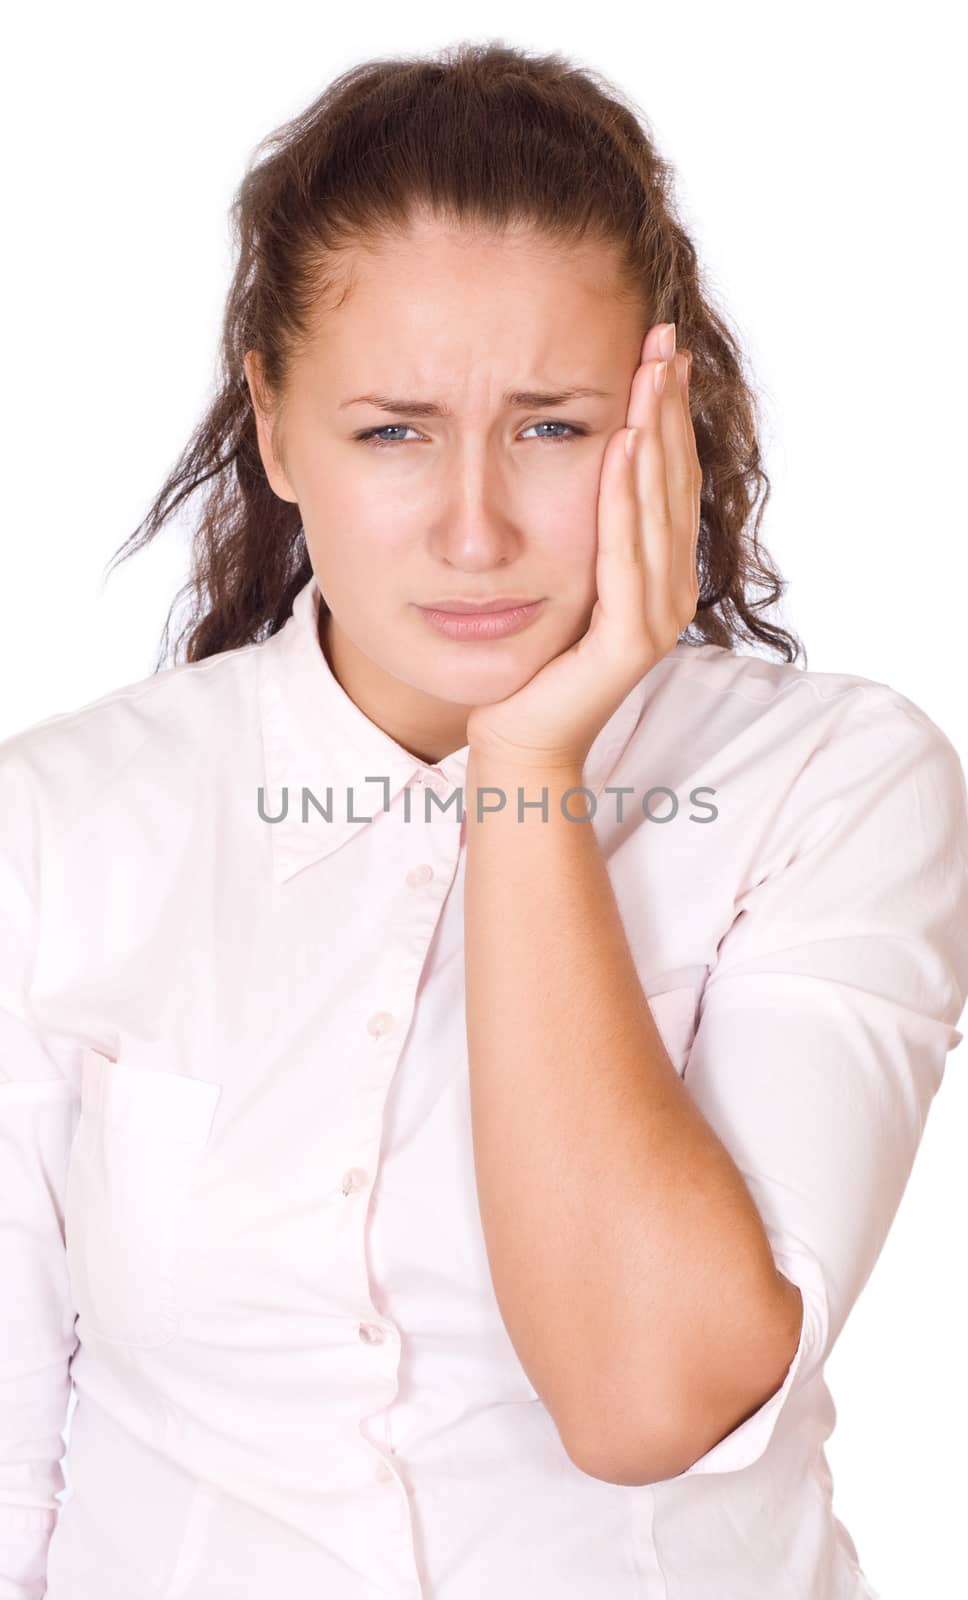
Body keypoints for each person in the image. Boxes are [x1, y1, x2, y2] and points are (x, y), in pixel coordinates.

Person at [1, 40, 965, 1600]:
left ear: (667, 417)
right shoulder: (55, 829)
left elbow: (651, 1395)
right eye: (393, 430)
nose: (473, 529)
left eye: (553, 427)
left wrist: (530, 765)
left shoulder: (837, 787)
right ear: (274, 422)